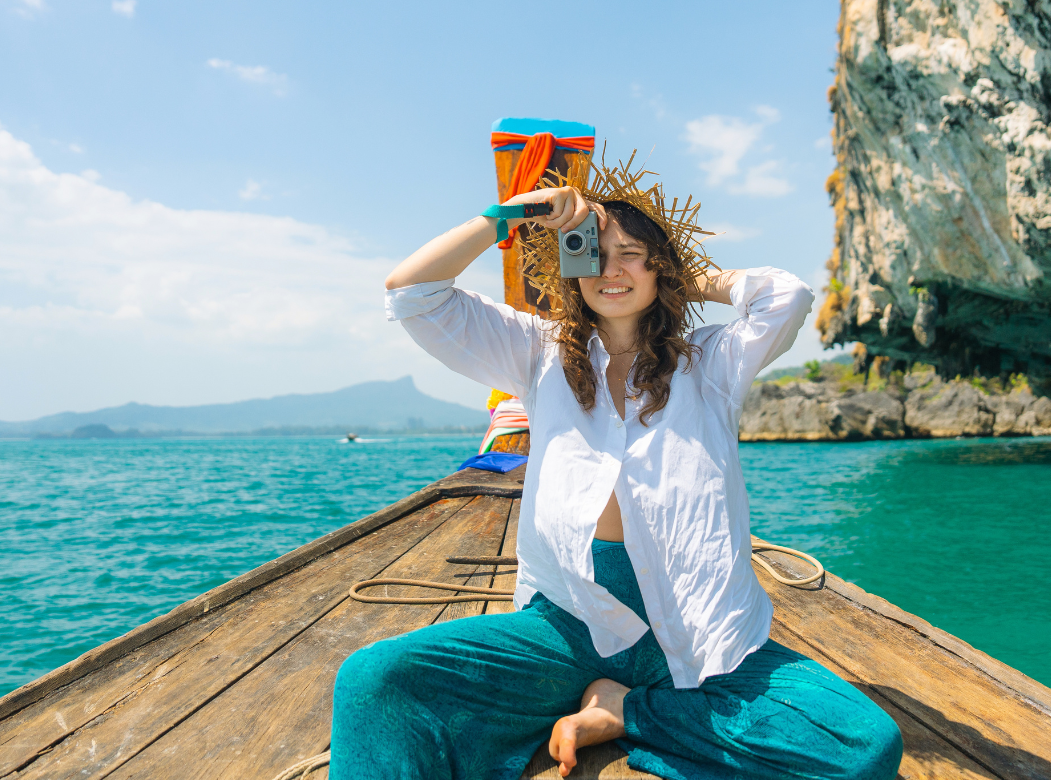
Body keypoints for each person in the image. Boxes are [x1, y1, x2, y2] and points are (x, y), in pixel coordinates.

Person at [331, 157, 902, 780]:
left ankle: (627, 710)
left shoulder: (711, 364)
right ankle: (614, 701)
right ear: (569, 265)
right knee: (373, 680)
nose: (611, 269)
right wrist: (517, 213)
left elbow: (784, 297)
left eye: (631, 253)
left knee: (864, 748)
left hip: (693, 626)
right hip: (571, 624)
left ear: (662, 266)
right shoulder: (537, 352)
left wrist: (686, 272)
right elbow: (412, 292)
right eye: (591, 251)